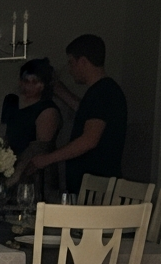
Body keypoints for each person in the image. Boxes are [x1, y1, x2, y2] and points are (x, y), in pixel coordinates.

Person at [12, 34, 127, 191]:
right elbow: (84, 110)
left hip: (98, 189)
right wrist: (59, 89)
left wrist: (47, 159)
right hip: (91, 186)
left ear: (83, 62)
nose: (70, 69)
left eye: (71, 63)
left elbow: (89, 140)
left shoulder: (103, 93)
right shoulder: (100, 92)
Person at [1, 58, 61, 194]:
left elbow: (38, 148)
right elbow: (5, 133)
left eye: (35, 82)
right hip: (9, 166)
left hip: (33, 174)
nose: (29, 86)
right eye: (26, 81)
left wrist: (15, 176)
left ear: (44, 85)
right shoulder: (11, 102)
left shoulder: (47, 110)